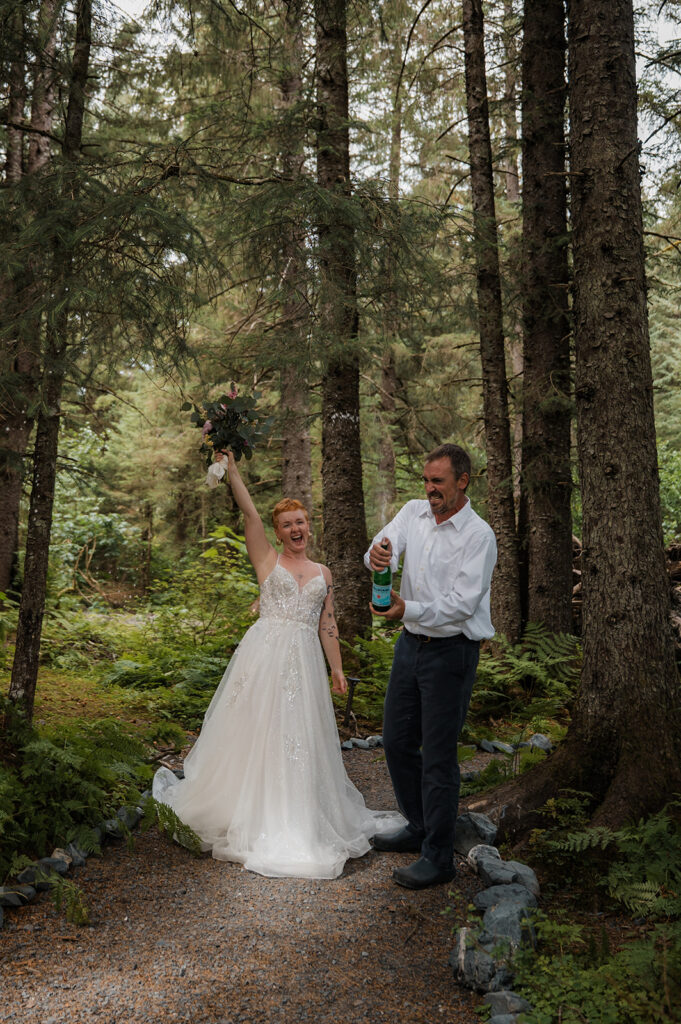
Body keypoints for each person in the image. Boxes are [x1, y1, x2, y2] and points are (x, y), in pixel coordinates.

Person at [153, 450, 402, 879]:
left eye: (301, 522)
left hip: (304, 664)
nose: (296, 529)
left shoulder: (323, 573)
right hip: (264, 658)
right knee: (257, 732)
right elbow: (249, 512)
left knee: (299, 735)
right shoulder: (267, 560)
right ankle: (251, 809)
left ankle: (300, 811)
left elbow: (328, 625)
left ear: (310, 525)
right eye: (287, 525)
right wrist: (232, 470)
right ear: (278, 532)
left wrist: (337, 669)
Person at [365, 443, 497, 890]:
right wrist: (378, 555)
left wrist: (407, 609)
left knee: (439, 758)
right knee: (397, 740)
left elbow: (462, 606)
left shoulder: (478, 535)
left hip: (452, 652)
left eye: (438, 481)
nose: (430, 489)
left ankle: (439, 858)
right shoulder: (413, 512)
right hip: (410, 646)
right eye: (426, 480)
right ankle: (419, 826)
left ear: (463, 481)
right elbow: (378, 549)